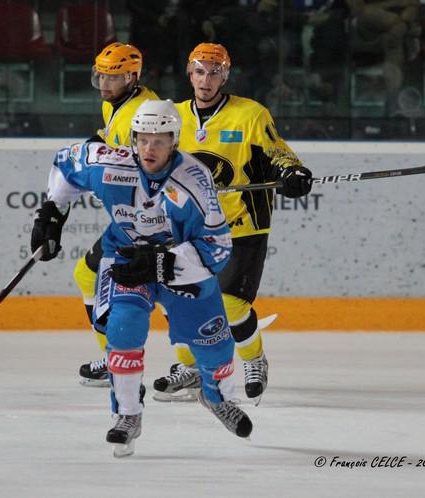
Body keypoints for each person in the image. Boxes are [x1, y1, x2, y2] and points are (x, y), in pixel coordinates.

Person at [31, 99, 252, 457]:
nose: (150, 148)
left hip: (182, 265)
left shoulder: (195, 180)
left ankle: (216, 397)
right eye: (143, 139)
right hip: (125, 258)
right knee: (123, 329)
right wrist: (53, 210)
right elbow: (67, 161)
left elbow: (217, 247)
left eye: (160, 140)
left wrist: (164, 264)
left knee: (215, 344)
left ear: (175, 141)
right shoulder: (109, 165)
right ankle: (128, 414)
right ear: (133, 138)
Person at [152, 43, 312, 405]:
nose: (206, 79)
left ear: (225, 75)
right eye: (199, 71)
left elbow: (277, 153)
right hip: (188, 227)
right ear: (188, 74)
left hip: (242, 224)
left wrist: (291, 172)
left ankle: (254, 359)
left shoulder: (249, 114)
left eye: (214, 72)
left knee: (231, 305)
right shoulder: (173, 115)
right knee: (177, 301)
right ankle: (191, 367)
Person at [74, 42, 159, 387]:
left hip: (149, 219)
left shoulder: (144, 112)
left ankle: (195, 368)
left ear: (133, 76)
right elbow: (109, 141)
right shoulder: (116, 105)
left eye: (114, 78)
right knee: (86, 274)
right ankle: (114, 359)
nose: (105, 85)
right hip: (130, 217)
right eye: (102, 77)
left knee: (169, 292)